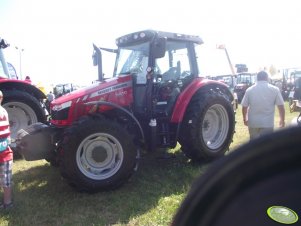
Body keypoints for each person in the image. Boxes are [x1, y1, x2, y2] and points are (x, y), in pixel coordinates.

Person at [241, 70, 285, 140]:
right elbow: (281, 106)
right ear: (267, 78)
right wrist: (282, 120)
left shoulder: (249, 90)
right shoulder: (275, 89)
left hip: (253, 122)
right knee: (266, 146)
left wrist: (245, 119)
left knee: (253, 145)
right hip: (267, 123)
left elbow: (244, 107)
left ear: (257, 78)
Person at [0, 90, 13, 209]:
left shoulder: (2, 111)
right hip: (5, 151)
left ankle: (7, 203)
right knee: (6, 179)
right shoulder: (3, 110)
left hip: (4, 152)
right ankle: (7, 202)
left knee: (6, 179)